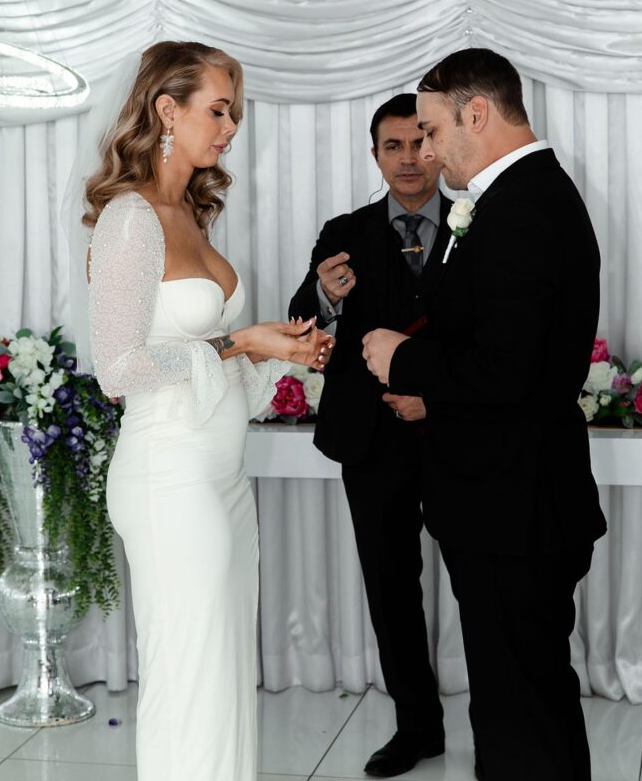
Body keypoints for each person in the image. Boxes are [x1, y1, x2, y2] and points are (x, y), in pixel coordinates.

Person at [83, 41, 334, 781]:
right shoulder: (131, 219)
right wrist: (238, 341)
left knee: (222, 671)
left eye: (235, 113)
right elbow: (117, 368)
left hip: (220, 479)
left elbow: (204, 352)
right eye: (217, 109)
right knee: (190, 675)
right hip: (168, 479)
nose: (229, 127)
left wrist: (271, 350)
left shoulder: (187, 211)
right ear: (167, 109)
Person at [362, 48, 607, 781]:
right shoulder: (521, 197)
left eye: (433, 131)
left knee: (521, 712)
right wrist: (433, 390)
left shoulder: (523, 208)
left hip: (515, 508)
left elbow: (510, 370)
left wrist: (398, 358)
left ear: (477, 113)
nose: (427, 152)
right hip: (512, 502)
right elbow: (510, 358)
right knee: (516, 704)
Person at [289, 93, 451, 778]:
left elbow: (493, 336)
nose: (409, 159)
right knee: (390, 588)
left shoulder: (481, 226)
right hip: (371, 442)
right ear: (374, 154)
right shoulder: (344, 228)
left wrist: (435, 397)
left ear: (437, 147)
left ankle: (503, 716)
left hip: (456, 435)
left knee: (485, 581)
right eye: (393, 147)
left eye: (419, 144)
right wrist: (325, 297)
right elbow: (302, 320)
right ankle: (417, 727)